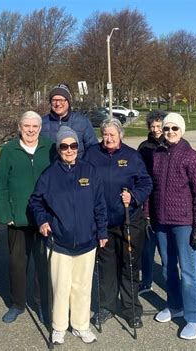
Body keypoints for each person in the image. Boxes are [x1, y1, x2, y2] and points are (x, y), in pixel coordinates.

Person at [29, 126, 108, 345]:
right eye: (64, 146)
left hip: (87, 240)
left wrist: (102, 231)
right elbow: (36, 202)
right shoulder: (50, 174)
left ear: (78, 147)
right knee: (61, 287)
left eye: (73, 145)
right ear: (59, 149)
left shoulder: (90, 171)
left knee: (82, 287)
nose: (69, 150)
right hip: (60, 242)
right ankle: (59, 327)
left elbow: (100, 205)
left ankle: (81, 325)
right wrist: (43, 221)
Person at [84, 118, 152, 330]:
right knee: (105, 266)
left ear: (120, 135)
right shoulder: (92, 154)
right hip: (103, 223)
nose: (109, 138)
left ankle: (131, 309)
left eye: (113, 134)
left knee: (129, 265)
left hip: (129, 220)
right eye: (105, 134)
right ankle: (106, 306)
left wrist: (133, 196)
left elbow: (145, 182)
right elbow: (83, 179)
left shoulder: (132, 156)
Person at [0, 111, 56, 324]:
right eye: (26, 126)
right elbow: (1, 185)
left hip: (43, 220)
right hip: (17, 219)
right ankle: (17, 303)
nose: (30, 130)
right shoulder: (9, 150)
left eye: (35, 126)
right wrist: (5, 215)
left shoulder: (49, 148)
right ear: (19, 127)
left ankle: (42, 304)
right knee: (17, 264)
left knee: (42, 264)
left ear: (40, 128)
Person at [151, 112, 196, 340]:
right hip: (162, 221)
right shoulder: (157, 154)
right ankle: (175, 305)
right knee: (167, 267)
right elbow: (153, 187)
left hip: (184, 222)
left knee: (189, 271)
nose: (170, 133)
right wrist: (148, 215)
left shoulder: (191, 156)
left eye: (175, 128)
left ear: (181, 130)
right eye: (167, 129)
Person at [137, 109, 167, 294]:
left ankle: (169, 282)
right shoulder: (144, 147)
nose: (156, 130)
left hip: (164, 199)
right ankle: (146, 281)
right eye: (153, 126)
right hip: (148, 197)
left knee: (166, 249)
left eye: (159, 126)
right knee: (147, 248)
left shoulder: (169, 144)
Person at [41, 83, 98, 158]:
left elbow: (93, 149)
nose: (58, 104)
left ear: (68, 101)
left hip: (77, 168)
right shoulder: (41, 123)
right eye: (54, 100)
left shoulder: (82, 122)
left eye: (61, 100)